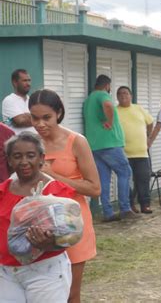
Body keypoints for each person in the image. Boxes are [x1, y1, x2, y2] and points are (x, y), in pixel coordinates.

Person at [28, 89, 101, 303]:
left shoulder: (76, 142)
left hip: (71, 223)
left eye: (46, 117)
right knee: (40, 292)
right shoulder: (29, 143)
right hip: (39, 225)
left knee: (70, 293)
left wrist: (53, 175)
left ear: (59, 113)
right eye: (34, 117)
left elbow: (94, 188)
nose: (40, 124)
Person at [0, 132, 74, 302]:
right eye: (17, 156)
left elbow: (70, 234)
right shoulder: (3, 191)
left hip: (46, 271)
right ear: (9, 160)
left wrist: (51, 242)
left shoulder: (57, 192)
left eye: (30, 155)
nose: (24, 161)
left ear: (42, 158)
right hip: (6, 272)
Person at [83, 75, 136, 222]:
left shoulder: (89, 100)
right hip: (109, 144)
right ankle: (125, 208)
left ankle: (108, 212)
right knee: (125, 172)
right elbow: (107, 105)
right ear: (107, 85)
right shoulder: (102, 95)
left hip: (94, 146)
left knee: (104, 178)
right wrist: (110, 121)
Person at [116, 86, 154, 214]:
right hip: (123, 153)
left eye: (126, 93)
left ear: (131, 96)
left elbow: (150, 123)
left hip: (141, 152)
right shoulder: (115, 111)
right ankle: (130, 204)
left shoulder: (138, 109)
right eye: (120, 94)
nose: (123, 96)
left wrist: (149, 138)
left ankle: (145, 204)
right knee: (126, 181)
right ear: (117, 97)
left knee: (143, 178)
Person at [2, 69, 36, 134]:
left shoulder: (33, 100)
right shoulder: (9, 100)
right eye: (24, 80)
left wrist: (28, 116)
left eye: (29, 80)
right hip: (17, 143)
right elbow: (20, 121)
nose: (28, 84)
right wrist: (38, 117)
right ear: (15, 82)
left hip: (36, 142)